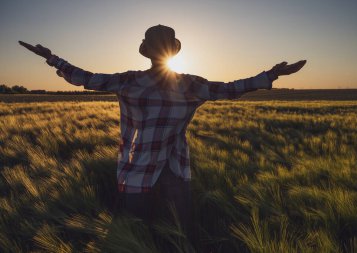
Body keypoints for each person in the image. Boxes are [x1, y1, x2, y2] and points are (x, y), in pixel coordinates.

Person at [19, 24, 306, 234]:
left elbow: (86, 78)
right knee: (152, 228)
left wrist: (272, 74)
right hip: (160, 169)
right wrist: (270, 75)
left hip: (146, 169)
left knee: (157, 228)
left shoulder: (135, 81)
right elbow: (230, 90)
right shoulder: (182, 84)